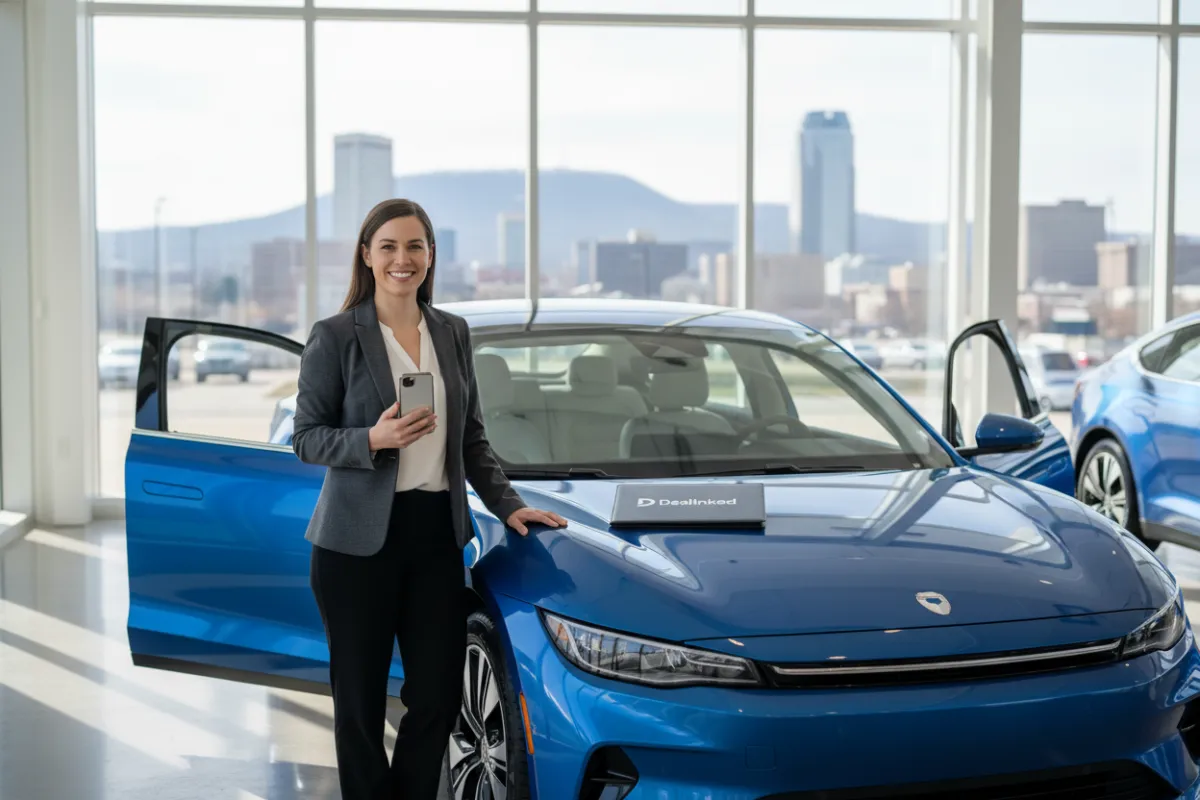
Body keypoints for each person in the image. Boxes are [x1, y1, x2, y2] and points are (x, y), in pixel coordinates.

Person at [291, 198, 567, 800]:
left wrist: (508, 505)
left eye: (415, 246)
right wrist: (373, 438)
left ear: (431, 255)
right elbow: (306, 438)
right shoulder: (336, 336)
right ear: (367, 255)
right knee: (360, 705)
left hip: (436, 536)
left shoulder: (451, 331)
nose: (402, 259)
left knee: (438, 695)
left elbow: (471, 437)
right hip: (355, 544)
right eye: (388, 246)